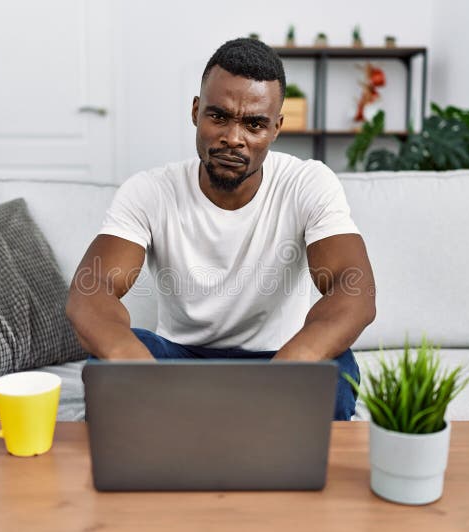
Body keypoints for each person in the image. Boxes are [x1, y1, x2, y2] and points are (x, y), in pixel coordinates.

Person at [66, 38, 376, 421]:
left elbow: (353, 288)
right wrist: (137, 368)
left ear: (277, 128)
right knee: (104, 366)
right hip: (179, 360)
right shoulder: (149, 190)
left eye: (254, 124)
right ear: (196, 112)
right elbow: (90, 291)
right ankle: (236, 419)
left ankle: (196, 417)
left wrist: (284, 374)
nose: (234, 137)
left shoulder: (307, 183)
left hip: (279, 359)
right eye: (219, 117)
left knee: (336, 378)